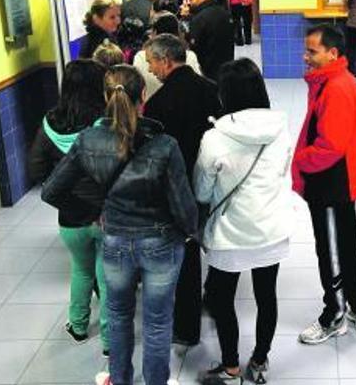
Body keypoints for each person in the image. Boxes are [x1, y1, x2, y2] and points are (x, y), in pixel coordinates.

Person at [41, 65, 198, 385]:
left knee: (119, 315)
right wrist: (189, 232)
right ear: (144, 96)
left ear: (104, 98)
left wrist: (96, 212)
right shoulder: (165, 144)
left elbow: (51, 191)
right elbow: (183, 204)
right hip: (161, 242)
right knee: (157, 323)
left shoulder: (87, 140)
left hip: (114, 240)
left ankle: (119, 378)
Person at [194, 59, 292, 385]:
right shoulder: (281, 128)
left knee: (223, 299)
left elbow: (202, 190)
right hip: (271, 227)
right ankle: (260, 361)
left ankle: (231, 367)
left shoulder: (214, 137)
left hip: (229, 233)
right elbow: (280, 173)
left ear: (225, 95)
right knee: (267, 296)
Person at [142, 33, 222, 349]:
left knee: (186, 256)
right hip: (213, 180)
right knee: (214, 239)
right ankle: (216, 299)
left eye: (151, 63)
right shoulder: (211, 89)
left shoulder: (158, 103)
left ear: (165, 60)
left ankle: (187, 328)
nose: (150, 70)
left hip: (178, 188)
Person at [293, 24, 356, 345]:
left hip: (330, 181)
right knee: (347, 244)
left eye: (312, 51)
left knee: (332, 251)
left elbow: (330, 146)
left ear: (333, 54)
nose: (306, 57)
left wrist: (300, 159)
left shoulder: (337, 87)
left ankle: (335, 313)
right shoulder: (334, 81)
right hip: (339, 179)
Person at [28, 59, 109, 356]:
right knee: (106, 276)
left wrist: (68, 202)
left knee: (81, 270)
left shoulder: (50, 123)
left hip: (70, 217)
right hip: (106, 216)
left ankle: (77, 326)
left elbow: (36, 170)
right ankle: (111, 340)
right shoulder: (107, 121)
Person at [133, 13, 203, 100]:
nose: (149, 69)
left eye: (150, 63)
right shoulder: (191, 56)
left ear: (154, 32)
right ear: (178, 33)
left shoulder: (139, 57)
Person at [182, 0, 235, 81]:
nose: (188, 3)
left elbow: (193, 48)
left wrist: (186, 20)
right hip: (227, 69)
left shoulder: (199, 19)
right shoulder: (224, 12)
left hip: (207, 72)